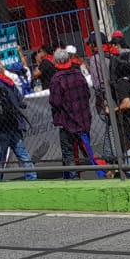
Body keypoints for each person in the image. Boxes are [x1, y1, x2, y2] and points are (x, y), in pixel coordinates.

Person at [0, 60, 37, 180]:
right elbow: (21, 101)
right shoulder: (8, 82)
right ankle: (31, 176)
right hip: (13, 122)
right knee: (21, 152)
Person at [48, 48, 100, 178]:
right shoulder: (78, 74)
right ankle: (103, 171)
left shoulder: (56, 79)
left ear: (56, 62)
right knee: (87, 149)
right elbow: (87, 94)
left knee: (69, 152)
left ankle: (74, 178)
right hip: (83, 118)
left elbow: (55, 102)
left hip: (67, 122)